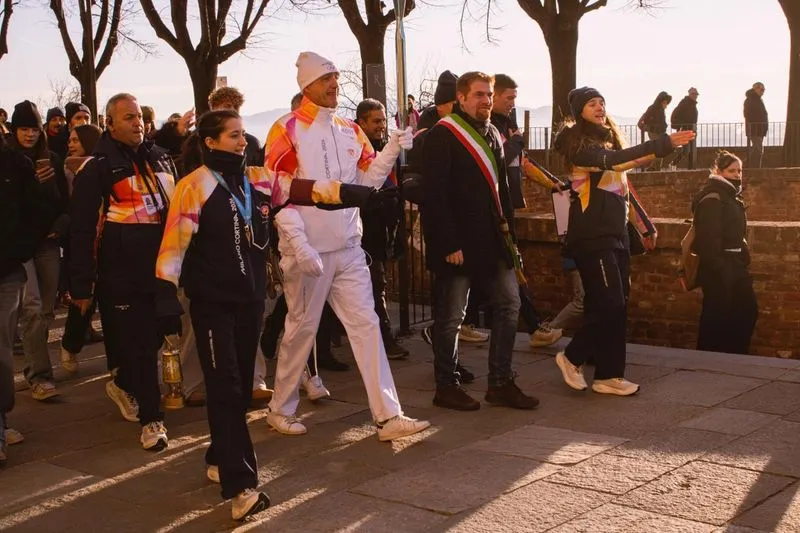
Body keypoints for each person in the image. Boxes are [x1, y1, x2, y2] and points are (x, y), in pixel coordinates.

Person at [265, 51, 430, 440]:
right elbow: (277, 190)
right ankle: (280, 408)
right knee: (300, 330)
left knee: (367, 325)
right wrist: (299, 244)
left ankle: (389, 416)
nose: (335, 84)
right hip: (308, 251)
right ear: (306, 86)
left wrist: (391, 148)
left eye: (336, 77)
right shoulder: (286, 129)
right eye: (327, 79)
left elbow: (367, 184)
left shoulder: (348, 130)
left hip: (348, 247)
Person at [552, 87, 694, 396]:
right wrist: (663, 142)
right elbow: (615, 162)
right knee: (609, 303)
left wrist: (644, 226)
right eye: (592, 103)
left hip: (615, 237)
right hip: (592, 237)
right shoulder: (580, 149)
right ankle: (571, 356)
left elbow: (623, 189)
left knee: (618, 306)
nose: (600, 107)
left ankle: (609, 376)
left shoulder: (607, 142)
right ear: (580, 112)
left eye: (602, 102)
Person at [421, 72, 539, 412]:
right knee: (452, 317)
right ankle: (446, 386)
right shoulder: (442, 136)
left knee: (509, 305)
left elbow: (501, 192)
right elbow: (435, 196)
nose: (486, 100)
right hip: (458, 242)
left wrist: (511, 239)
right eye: (479, 95)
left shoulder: (493, 133)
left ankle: (500, 382)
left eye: (489, 95)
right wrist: (447, 243)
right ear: (461, 98)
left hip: (493, 239)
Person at [70, 93, 181, 451]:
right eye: (129, 117)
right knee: (138, 342)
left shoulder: (161, 158)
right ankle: (153, 420)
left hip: (163, 267)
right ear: (110, 123)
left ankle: (123, 382)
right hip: (121, 273)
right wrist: (82, 284)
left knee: (154, 339)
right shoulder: (98, 167)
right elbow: (83, 230)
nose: (138, 123)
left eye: (140, 117)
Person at [491, 74, 564, 349]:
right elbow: (499, 160)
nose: (512, 103)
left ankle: (534, 326)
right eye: (508, 98)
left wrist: (552, 184)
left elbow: (522, 163)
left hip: (506, 208)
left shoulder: (509, 125)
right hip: (493, 208)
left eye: (514, 98)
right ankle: (533, 326)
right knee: (508, 263)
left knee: (509, 263)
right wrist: (517, 142)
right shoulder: (489, 128)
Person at [8, 101, 70, 401]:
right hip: (21, 247)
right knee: (31, 308)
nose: (29, 135)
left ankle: (35, 364)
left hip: (47, 241)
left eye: (34, 128)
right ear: (13, 131)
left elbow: (64, 201)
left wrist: (60, 222)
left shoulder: (52, 159)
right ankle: (39, 375)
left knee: (45, 310)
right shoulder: (8, 161)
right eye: (23, 129)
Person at [0, 132, 48, 466]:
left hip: (5, 271)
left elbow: (37, 214)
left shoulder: (16, 164)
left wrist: (19, 251)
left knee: (0, 346)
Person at [355, 98, 409, 360]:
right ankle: (386, 340)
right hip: (364, 229)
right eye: (375, 121)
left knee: (376, 284)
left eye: (383, 121)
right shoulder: (355, 149)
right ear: (361, 121)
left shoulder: (386, 148)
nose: (381, 126)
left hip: (384, 228)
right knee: (376, 285)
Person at [693, 151, 757, 354]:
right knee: (717, 315)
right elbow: (709, 239)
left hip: (735, 265)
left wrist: (742, 257)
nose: (737, 175)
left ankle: (734, 355)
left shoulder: (730, 196)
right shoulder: (713, 198)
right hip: (720, 268)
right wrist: (720, 268)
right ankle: (710, 358)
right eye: (732, 170)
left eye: (739, 170)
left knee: (746, 310)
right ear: (718, 171)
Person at [60, 124, 104, 373]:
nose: (71, 144)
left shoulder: (104, 166)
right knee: (82, 303)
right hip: (80, 239)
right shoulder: (64, 168)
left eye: (76, 139)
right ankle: (71, 345)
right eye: (70, 139)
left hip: (107, 239)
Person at [208, 87, 264, 166]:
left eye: (236, 107)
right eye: (227, 106)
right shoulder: (199, 141)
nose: (233, 110)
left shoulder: (251, 143)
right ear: (213, 108)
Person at [638, 91, 672, 170]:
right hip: (654, 132)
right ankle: (653, 167)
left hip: (659, 132)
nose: (666, 105)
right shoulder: (653, 108)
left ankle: (656, 168)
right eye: (665, 102)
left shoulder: (660, 109)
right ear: (661, 101)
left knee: (660, 150)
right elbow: (646, 120)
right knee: (659, 150)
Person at [669, 88, 699, 168]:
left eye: (696, 94)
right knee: (686, 150)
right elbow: (674, 115)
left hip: (691, 130)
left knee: (688, 150)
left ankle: (676, 164)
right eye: (693, 94)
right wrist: (680, 125)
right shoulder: (684, 103)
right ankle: (673, 164)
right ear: (689, 94)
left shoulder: (692, 104)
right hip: (686, 130)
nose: (695, 96)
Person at [744, 82, 768, 169]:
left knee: (758, 148)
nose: (763, 92)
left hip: (759, 129)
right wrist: (758, 122)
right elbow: (747, 114)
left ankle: (753, 167)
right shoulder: (751, 100)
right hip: (754, 128)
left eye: (763, 90)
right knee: (757, 149)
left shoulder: (757, 99)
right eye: (761, 89)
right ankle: (751, 167)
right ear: (755, 89)